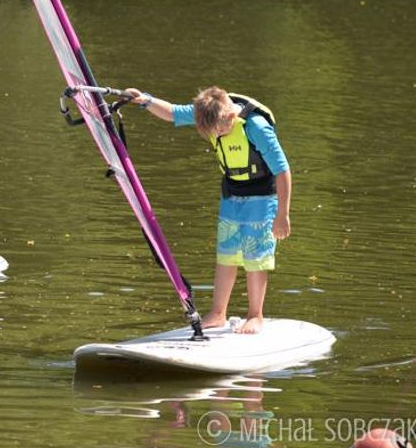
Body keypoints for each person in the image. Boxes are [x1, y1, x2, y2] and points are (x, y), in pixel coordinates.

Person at [123, 86, 291, 334]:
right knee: (226, 255)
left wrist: (282, 215)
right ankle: (218, 313)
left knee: (255, 258)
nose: (217, 135)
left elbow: (282, 170)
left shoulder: (255, 126)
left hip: (262, 198)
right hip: (231, 194)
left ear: (230, 117)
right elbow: (172, 112)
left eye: (220, 131)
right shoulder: (208, 112)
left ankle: (256, 315)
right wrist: (145, 100)